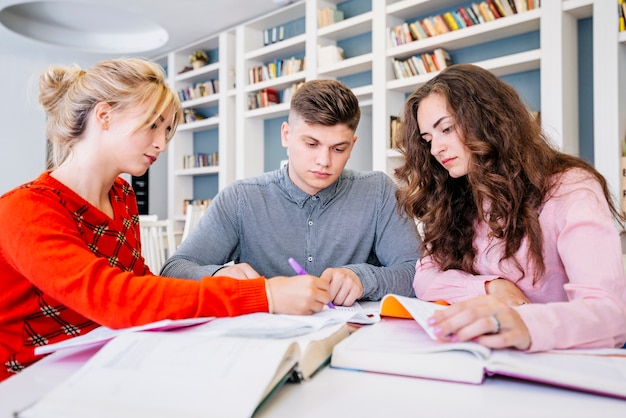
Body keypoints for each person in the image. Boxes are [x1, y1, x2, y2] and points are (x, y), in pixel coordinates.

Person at [0, 58, 330, 382]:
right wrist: (265, 295)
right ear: (104, 115)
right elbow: (116, 298)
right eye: (153, 124)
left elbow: (142, 282)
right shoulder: (25, 209)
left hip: (105, 362)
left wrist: (224, 281)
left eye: (167, 129)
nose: (161, 143)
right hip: (27, 381)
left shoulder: (121, 195)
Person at [395, 63, 626, 352]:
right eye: (428, 139)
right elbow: (425, 277)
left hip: (562, 360)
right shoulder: (458, 193)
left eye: (447, 128)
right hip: (489, 357)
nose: (435, 149)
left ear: (489, 119)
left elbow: (610, 316)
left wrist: (524, 322)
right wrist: (488, 288)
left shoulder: (570, 187)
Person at [161, 79, 421, 306]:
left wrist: (365, 279)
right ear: (286, 135)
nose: (324, 160)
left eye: (338, 149)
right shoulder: (241, 198)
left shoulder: (378, 191)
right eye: (311, 144)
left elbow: (417, 273)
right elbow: (174, 270)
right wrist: (218, 277)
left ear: (352, 145)